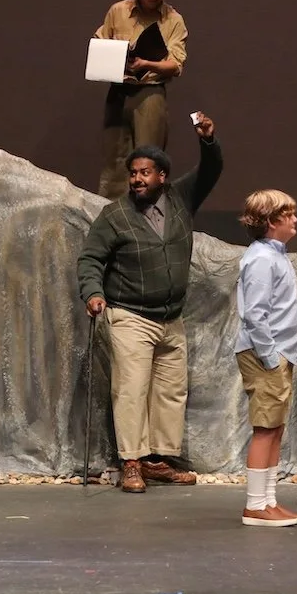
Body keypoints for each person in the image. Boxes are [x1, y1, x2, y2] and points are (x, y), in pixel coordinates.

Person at [78, 113, 224, 493]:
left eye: (145, 173)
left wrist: (208, 140)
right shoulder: (115, 216)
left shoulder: (180, 199)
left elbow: (211, 170)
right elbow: (91, 258)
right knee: (131, 390)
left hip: (171, 318)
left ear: (162, 176)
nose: (137, 179)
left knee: (170, 391)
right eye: (133, 173)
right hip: (131, 316)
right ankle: (131, 462)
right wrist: (93, 292)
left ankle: (157, 461)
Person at [234, 189, 297, 527]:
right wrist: (270, 356)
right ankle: (255, 505)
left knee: (275, 427)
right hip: (266, 354)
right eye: (289, 214)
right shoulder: (262, 258)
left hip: (278, 352)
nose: (294, 219)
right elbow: (255, 313)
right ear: (273, 221)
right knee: (265, 427)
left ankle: (269, 500)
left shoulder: (275, 255)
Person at [93, 0, 189, 199]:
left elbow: (176, 64)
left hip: (150, 92)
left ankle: (147, 211)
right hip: (119, 90)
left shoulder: (173, 19)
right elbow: (100, 43)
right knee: (115, 156)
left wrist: (146, 63)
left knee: (149, 157)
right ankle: (112, 210)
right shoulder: (118, 11)